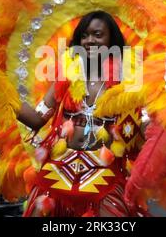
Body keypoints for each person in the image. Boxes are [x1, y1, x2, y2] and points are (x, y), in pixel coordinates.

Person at [17, 11, 146, 217]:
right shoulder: (66, 76)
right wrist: (2, 95)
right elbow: (36, 119)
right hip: (59, 167)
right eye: (84, 36)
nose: (89, 41)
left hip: (105, 171)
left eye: (97, 34)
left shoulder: (128, 79)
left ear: (111, 40)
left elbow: (140, 131)